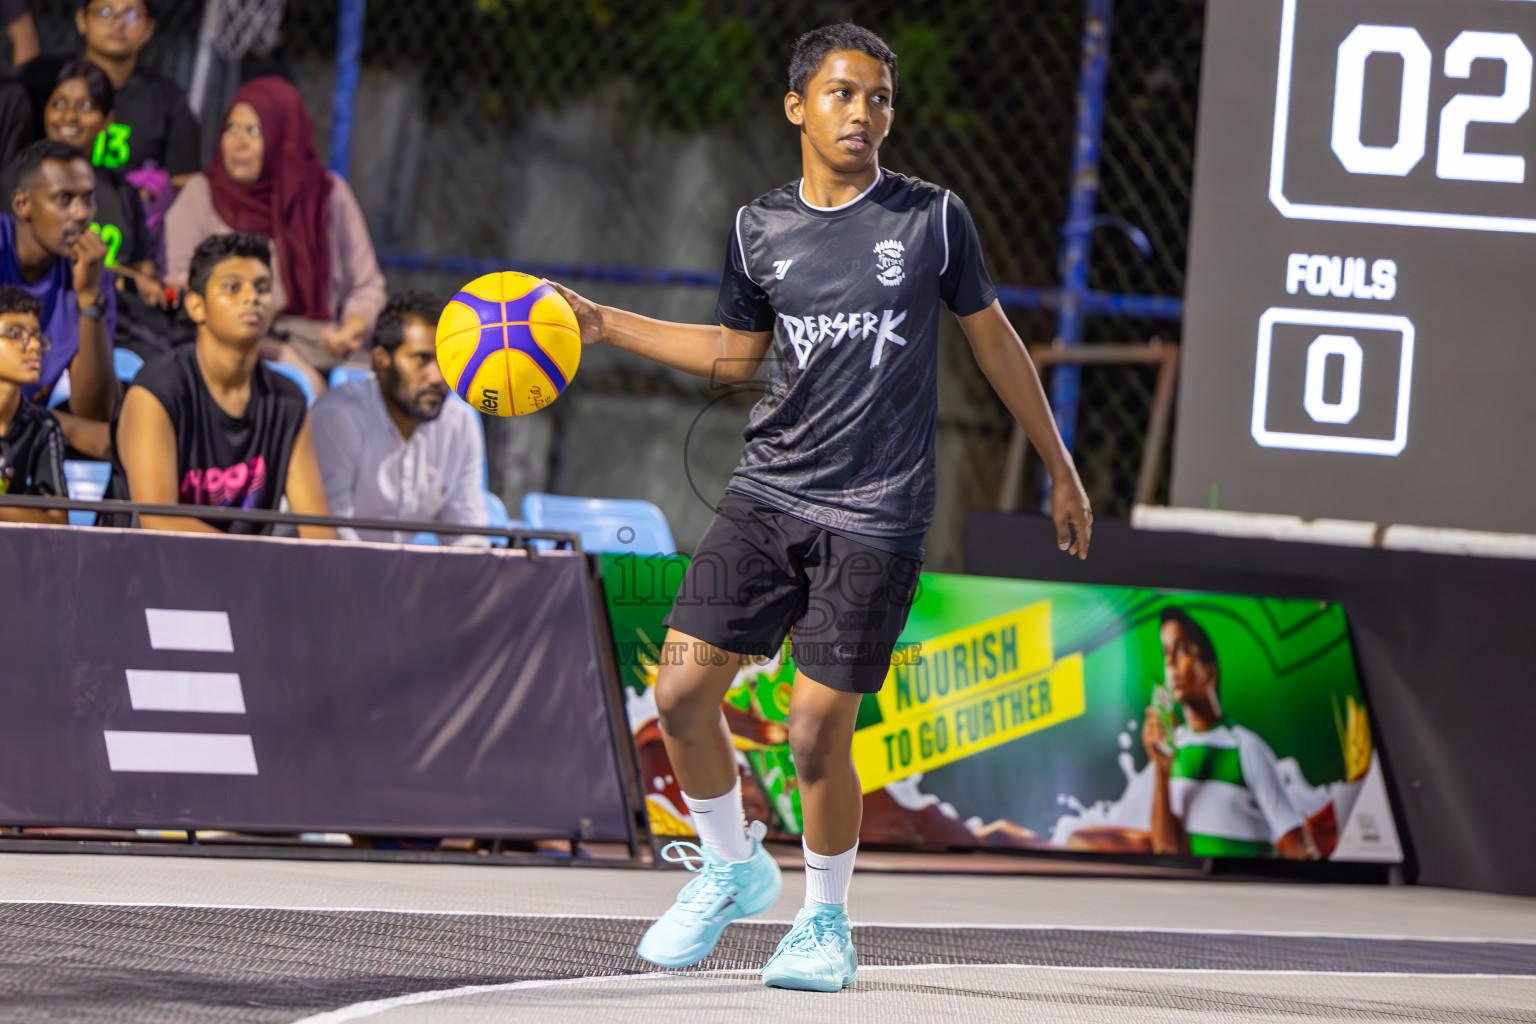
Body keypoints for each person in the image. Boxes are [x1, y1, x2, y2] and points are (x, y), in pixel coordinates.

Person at [549, 23, 1092, 992]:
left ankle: (825, 921)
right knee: (677, 692)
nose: (865, 113)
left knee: (812, 733)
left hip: (876, 513)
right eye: (844, 94)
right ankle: (731, 864)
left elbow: (996, 342)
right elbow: (733, 358)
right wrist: (604, 324)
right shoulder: (760, 227)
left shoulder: (932, 218)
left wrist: (1060, 465)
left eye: (879, 97)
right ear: (799, 106)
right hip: (767, 493)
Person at [164, 76, 386, 395]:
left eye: (253, 131)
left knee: (384, 392)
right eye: (231, 128)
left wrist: (354, 325)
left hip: (324, 342)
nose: (239, 142)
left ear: (285, 138)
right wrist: (274, 349)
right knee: (305, 386)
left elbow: (367, 285)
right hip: (240, 340)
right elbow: (178, 285)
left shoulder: (328, 195)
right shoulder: (202, 195)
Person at [111, 231, 334, 539]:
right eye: (233, 287)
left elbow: (318, 531)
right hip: (143, 578)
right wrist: (253, 560)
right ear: (196, 306)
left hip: (247, 580)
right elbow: (158, 521)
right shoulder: (157, 390)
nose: (252, 297)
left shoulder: (288, 401)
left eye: (262, 287)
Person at [310, 292, 489, 545]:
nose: (438, 377)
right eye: (422, 359)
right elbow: (329, 537)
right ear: (381, 361)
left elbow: (468, 535)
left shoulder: (460, 422)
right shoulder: (337, 417)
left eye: (448, 361)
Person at [1142, 607, 1317, 860]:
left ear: (1210, 671)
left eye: (1181, 650)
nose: (1170, 663)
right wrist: (1160, 769)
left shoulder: (1245, 747)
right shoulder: (1171, 750)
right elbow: (1167, 852)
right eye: (1166, 653)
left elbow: (1296, 846)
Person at [28, 57, 169, 363]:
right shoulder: (22, 184)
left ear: (108, 120)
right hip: (51, 317)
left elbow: (145, 266)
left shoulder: (122, 192)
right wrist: (122, 276)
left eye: (86, 106)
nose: (70, 116)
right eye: (59, 104)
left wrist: (143, 279)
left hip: (122, 320)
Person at [0, 138, 113, 456]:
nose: (81, 214)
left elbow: (95, 413)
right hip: (25, 427)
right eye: (64, 199)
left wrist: (90, 299)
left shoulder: (89, 275)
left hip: (24, 439)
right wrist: (50, 423)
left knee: (123, 443)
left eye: (88, 198)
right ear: (22, 204)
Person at [19, 0, 199, 187]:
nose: (118, 23)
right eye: (106, 12)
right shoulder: (40, 78)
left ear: (148, 28)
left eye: (132, 15)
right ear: (82, 20)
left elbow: (184, 183)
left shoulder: (168, 100)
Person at [0, 285, 64, 523]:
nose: (35, 346)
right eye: (16, 334)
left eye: (36, 336)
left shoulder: (43, 426)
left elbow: (57, 522)